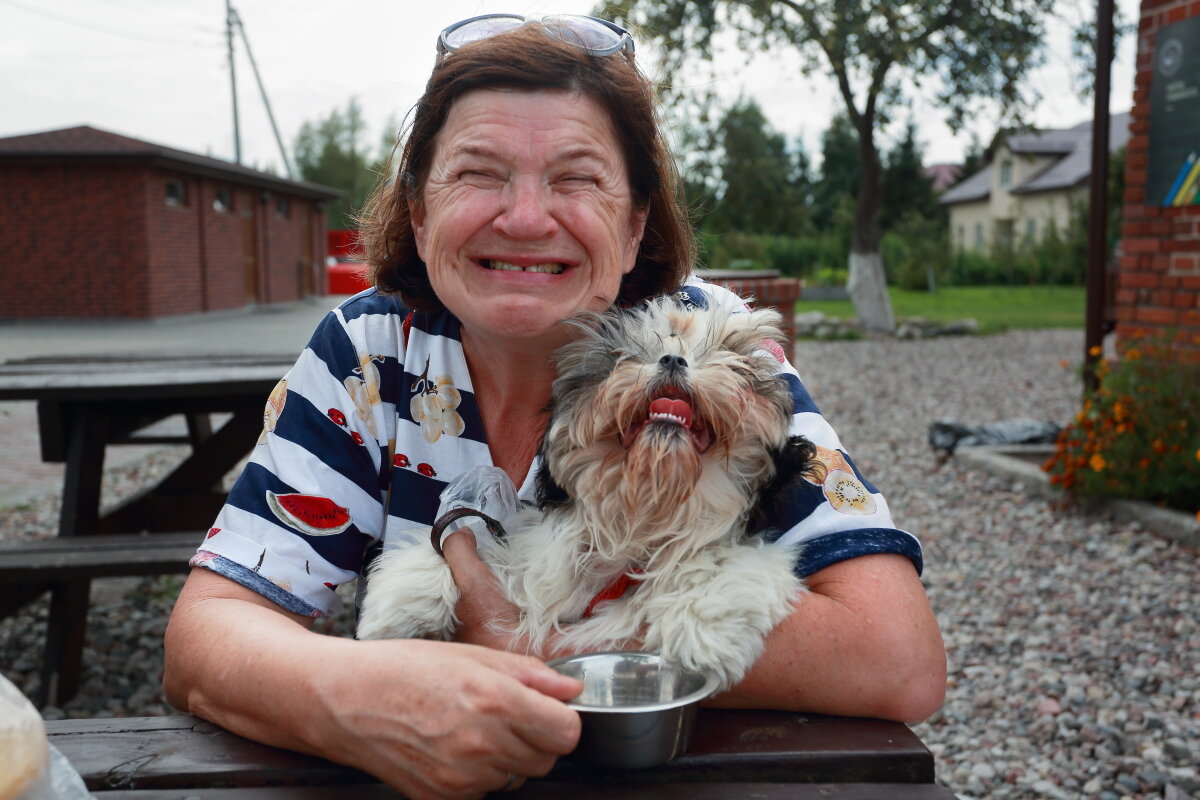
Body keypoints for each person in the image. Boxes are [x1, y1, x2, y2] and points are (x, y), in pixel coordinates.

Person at [163, 14, 945, 799]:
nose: (527, 218)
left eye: (575, 178)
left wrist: (516, 640)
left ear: (636, 224)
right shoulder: (370, 350)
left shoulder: (713, 344)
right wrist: (354, 693)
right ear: (420, 210)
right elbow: (206, 637)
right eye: (478, 173)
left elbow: (898, 659)